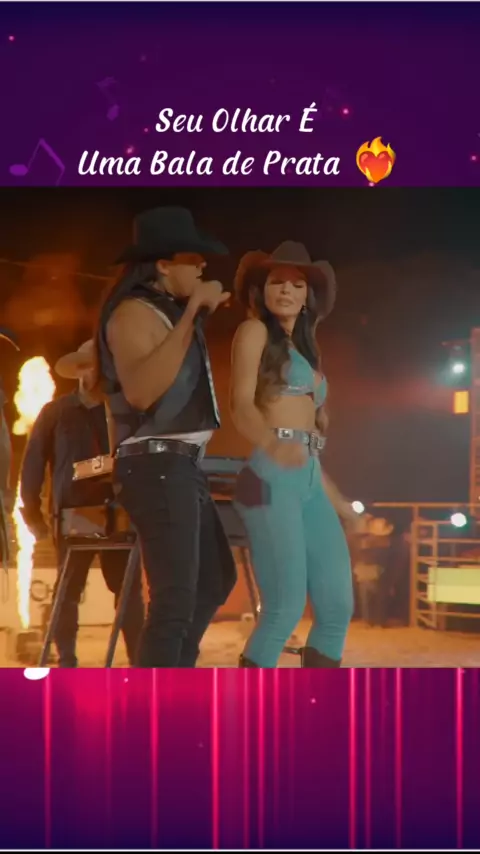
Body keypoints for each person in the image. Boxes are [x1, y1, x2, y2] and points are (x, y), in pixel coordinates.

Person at [95, 206, 237, 668]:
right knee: (173, 599)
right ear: (162, 264)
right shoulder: (131, 312)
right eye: (192, 260)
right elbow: (141, 391)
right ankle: (155, 696)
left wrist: (191, 313)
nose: (202, 267)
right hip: (155, 463)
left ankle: (174, 676)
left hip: (180, 464)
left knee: (213, 583)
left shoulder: (164, 313)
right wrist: (194, 310)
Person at [230, 241, 356, 668]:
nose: (286, 290)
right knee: (284, 607)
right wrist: (272, 444)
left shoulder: (306, 347)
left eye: (296, 284)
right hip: (269, 476)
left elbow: (309, 449)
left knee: (337, 607)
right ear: (262, 290)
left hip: (308, 476)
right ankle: (250, 705)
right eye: (276, 282)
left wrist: (341, 503)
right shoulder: (254, 332)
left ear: (308, 297)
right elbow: (240, 406)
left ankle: (315, 704)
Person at [19, 340, 145, 667]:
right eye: (93, 366)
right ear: (80, 370)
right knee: (68, 588)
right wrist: (32, 513)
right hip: (73, 513)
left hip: (120, 512)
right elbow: (33, 465)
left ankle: (139, 661)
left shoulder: (125, 412)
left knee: (127, 590)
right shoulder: (56, 412)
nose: (100, 373)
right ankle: (67, 661)